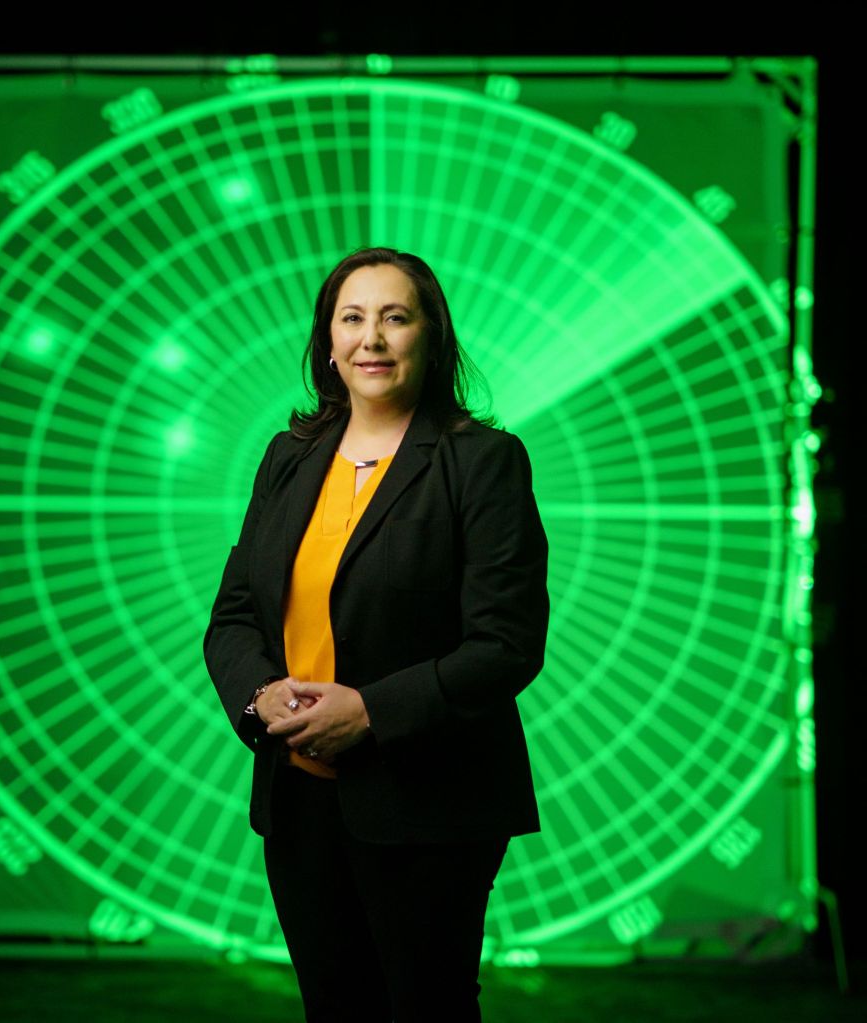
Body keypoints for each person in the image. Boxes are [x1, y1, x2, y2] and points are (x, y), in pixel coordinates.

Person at [203, 247, 548, 1022]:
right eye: (352, 318)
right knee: (335, 1009)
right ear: (327, 342)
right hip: (298, 798)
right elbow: (233, 616)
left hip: (431, 801)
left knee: (427, 1009)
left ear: (431, 337)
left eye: (396, 317)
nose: (372, 338)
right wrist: (260, 698)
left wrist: (369, 712)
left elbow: (506, 642)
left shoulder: (482, 461)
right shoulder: (287, 459)